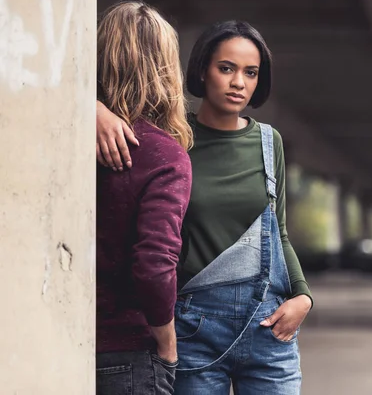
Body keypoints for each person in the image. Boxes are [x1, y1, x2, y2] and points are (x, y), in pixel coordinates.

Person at [96, 20, 312, 394]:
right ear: (201, 70)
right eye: (226, 68)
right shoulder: (175, 140)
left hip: (267, 329)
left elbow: (280, 232)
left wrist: (304, 296)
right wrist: (91, 106)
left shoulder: (267, 142)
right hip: (193, 329)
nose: (238, 83)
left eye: (251, 73)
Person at [95, 1, 193, 395]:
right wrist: (168, 345)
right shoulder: (163, 154)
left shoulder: (61, 138)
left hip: (53, 338)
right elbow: (153, 265)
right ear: (165, 68)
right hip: (129, 354)